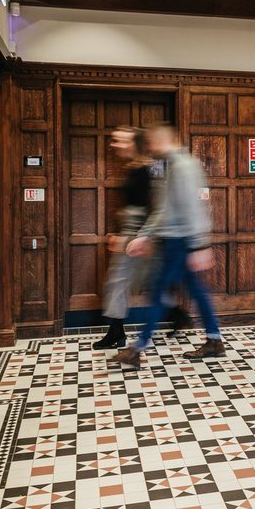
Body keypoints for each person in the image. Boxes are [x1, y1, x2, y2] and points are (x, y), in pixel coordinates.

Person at [114, 124, 223, 368]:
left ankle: (137, 349)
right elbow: (164, 210)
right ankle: (214, 339)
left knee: (159, 292)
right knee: (195, 291)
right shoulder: (169, 166)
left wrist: (199, 246)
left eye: (153, 143)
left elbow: (193, 207)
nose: (150, 148)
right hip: (175, 239)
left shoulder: (182, 167)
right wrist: (145, 236)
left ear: (164, 141)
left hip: (180, 241)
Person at [91, 127, 156, 349]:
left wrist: (138, 236)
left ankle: (119, 333)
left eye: (119, 141)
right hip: (131, 231)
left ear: (133, 144)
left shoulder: (145, 169)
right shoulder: (133, 168)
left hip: (138, 232)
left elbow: (150, 207)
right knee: (120, 281)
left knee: (124, 281)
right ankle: (116, 331)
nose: (114, 144)